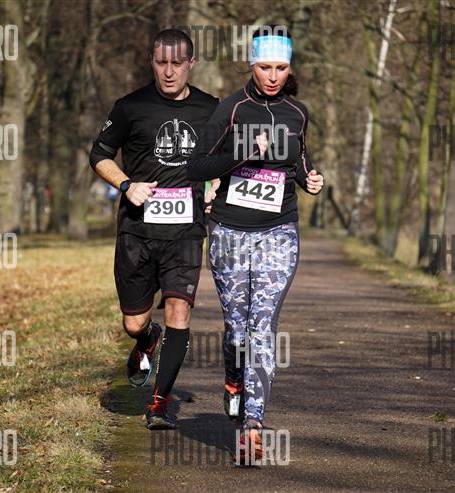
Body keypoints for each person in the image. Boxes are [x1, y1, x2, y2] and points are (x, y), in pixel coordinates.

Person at [186, 25, 324, 463]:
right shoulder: (231, 109)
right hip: (229, 232)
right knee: (237, 328)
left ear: (289, 68)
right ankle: (234, 377)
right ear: (252, 64)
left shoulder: (297, 113)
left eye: (281, 68)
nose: (273, 76)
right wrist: (241, 155)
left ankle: (253, 425)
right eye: (265, 67)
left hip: (279, 232)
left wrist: (310, 178)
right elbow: (197, 166)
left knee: (262, 325)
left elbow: (299, 161)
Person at [89, 29, 219, 430]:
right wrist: (127, 185)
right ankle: (147, 338)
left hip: (186, 232)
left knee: (180, 308)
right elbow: (99, 154)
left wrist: (215, 186)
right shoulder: (130, 107)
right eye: (161, 63)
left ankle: (159, 404)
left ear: (191, 64)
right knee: (133, 322)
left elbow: (225, 158)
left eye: (177, 63)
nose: (169, 71)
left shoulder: (211, 109)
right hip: (137, 231)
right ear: (152, 62)